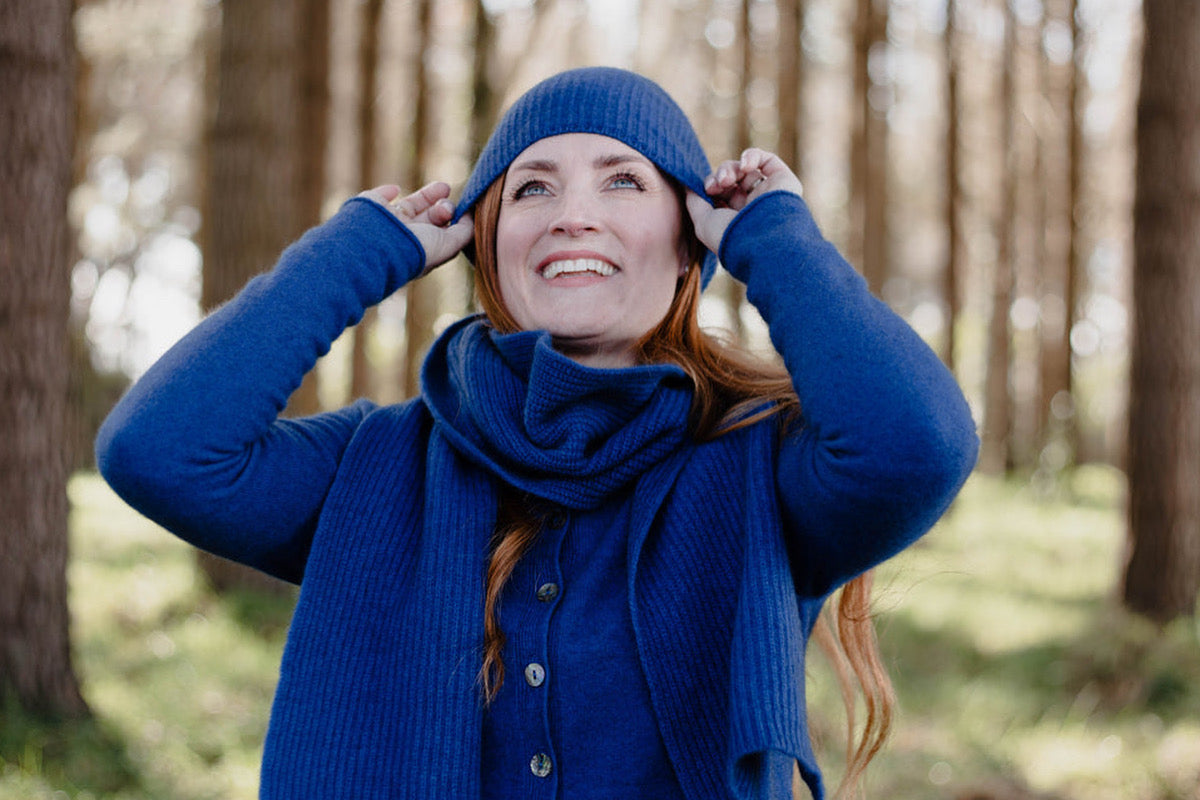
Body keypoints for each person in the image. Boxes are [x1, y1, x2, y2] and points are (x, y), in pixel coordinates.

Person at [96, 67, 978, 799]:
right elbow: (160, 451)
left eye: (623, 180)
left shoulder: (761, 466)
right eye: (533, 188)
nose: (572, 214)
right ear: (486, 243)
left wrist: (772, 238)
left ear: (687, 243)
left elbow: (918, 446)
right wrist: (357, 255)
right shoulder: (377, 466)